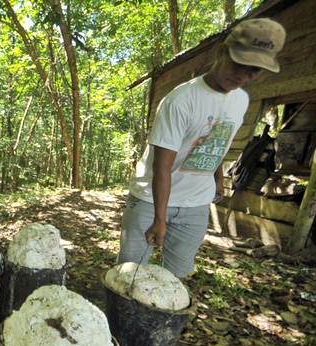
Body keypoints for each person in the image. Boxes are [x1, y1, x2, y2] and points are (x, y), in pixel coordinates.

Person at [118, 18, 286, 279]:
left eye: (253, 71)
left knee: (175, 277)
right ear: (222, 51)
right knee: (128, 274)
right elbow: (162, 166)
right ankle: (119, 319)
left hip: (196, 203)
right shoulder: (181, 100)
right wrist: (159, 219)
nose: (243, 75)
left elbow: (217, 141)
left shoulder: (241, 100)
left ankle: (158, 321)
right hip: (151, 200)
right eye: (238, 64)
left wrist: (217, 178)